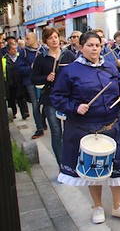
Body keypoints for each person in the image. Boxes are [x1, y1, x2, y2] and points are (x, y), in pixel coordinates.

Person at [51, 31, 120, 224]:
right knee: (94, 170)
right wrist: (74, 107)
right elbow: (57, 98)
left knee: (118, 170)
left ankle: (117, 207)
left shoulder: (110, 67)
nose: (94, 49)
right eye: (89, 45)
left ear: (101, 47)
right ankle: (98, 207)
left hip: (113, 125)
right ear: (81, 48)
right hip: (85, 128)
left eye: (97, 45)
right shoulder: (69, 71)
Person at [31, 27, 76, 165]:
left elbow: (77, 74)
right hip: (50, 98)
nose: (54, 40)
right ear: (45, 41)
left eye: (56, 37)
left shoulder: (68, 55)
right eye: (50, 38)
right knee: (56, 131)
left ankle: (71, 161)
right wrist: (46, 78)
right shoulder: (41, 58)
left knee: (70, 131)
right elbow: (34, 79)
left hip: (68, 98)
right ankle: (62, 165)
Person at [93, 29, 120, 121]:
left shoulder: (111, 52)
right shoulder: (88, 55)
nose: (99, 39)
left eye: (101, 37)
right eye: (96, 37)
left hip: (111, 90)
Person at [17, 32, 47, 138]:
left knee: (46, 103)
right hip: (30, 82)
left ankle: (43, 121)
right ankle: (39, 128)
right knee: (35, 105)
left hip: (44, 82)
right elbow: (19, 68)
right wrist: (31, 68)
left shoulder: (43, 50)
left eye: (28, 38)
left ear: (35, 39)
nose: (25, 40)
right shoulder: (23, 52)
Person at [2, 43, 29, 120]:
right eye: (13, 49)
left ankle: (24, 112)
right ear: (8, 50)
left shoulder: (19, 56)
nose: (15, 50)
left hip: (19, 81)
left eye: (16, 48)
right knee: (11, 99)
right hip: (10, 82)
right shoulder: (4, 59)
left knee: (21, 97)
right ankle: (13, 113)